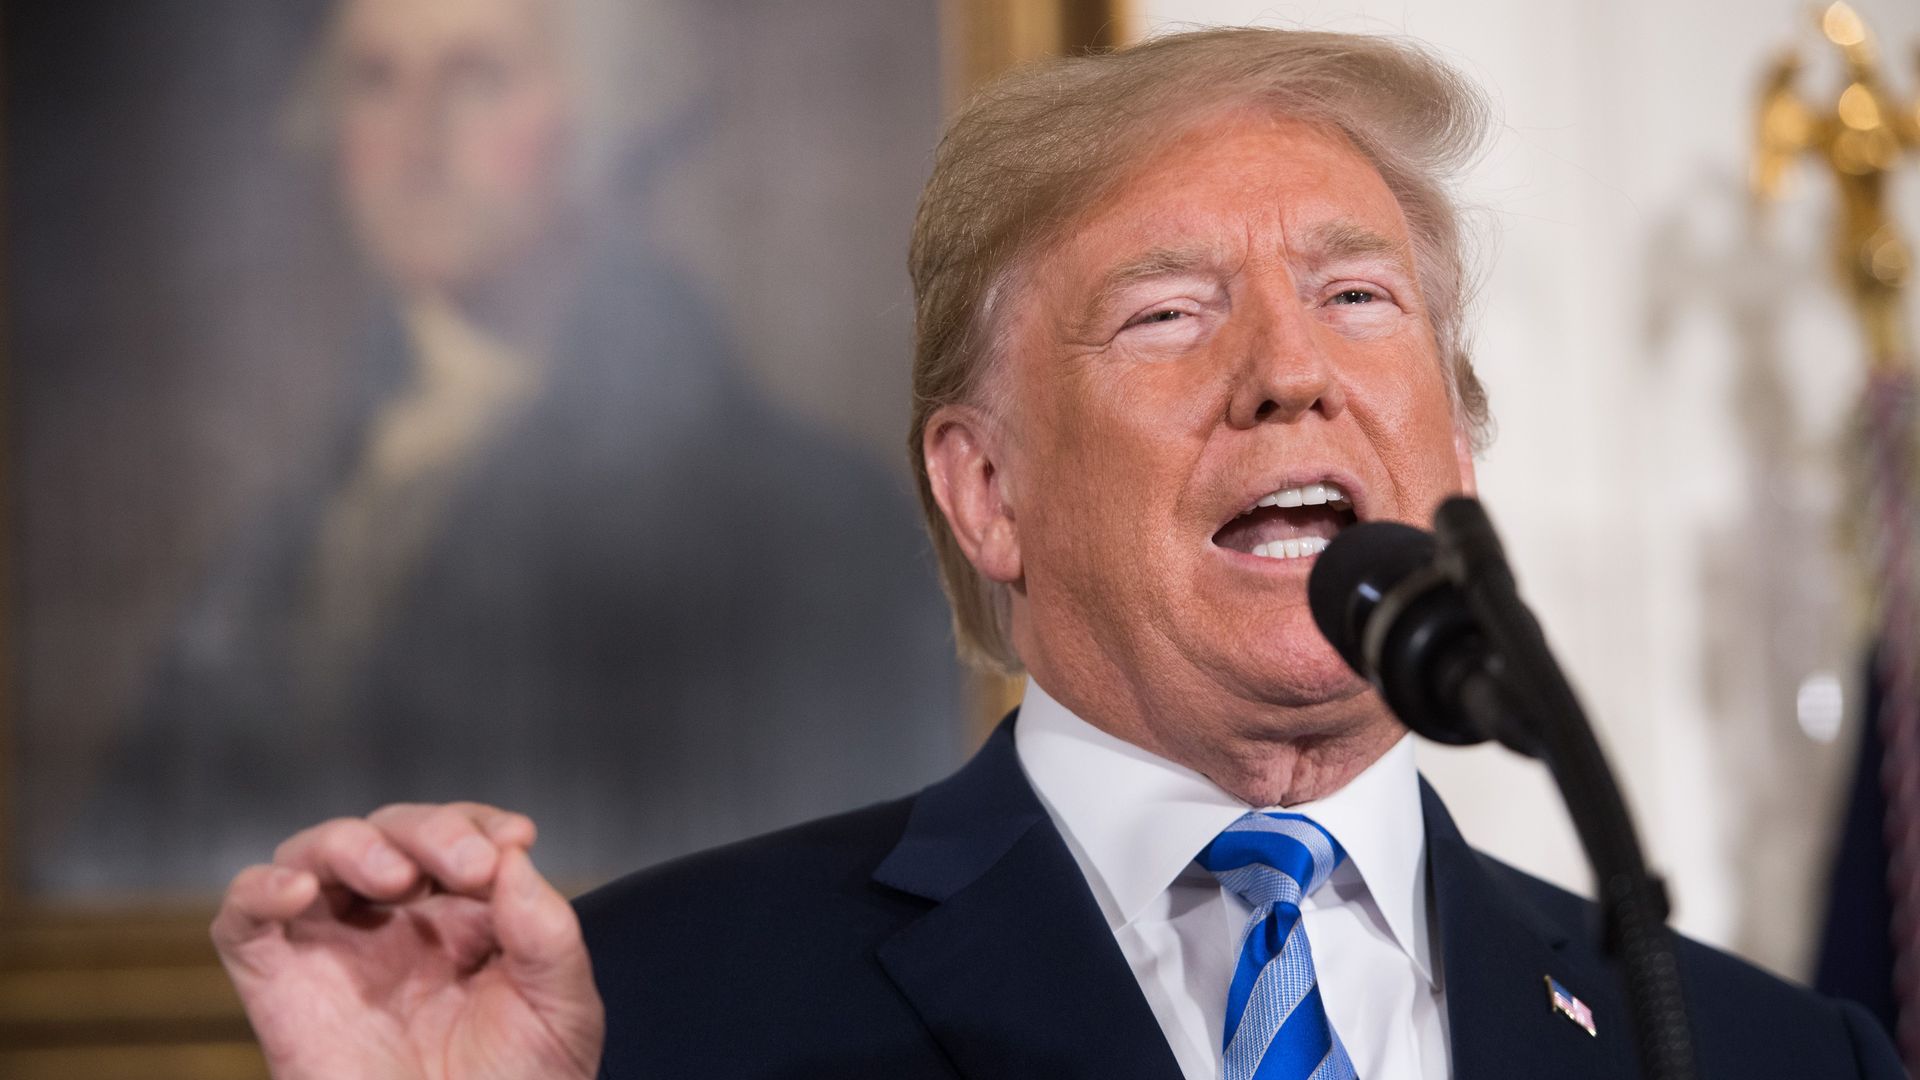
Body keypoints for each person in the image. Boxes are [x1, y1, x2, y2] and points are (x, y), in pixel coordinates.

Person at [210, 27, 1904, 1079]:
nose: (1289, 369)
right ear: (985, 490)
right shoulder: (644, 1018)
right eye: (1169, 313)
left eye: (1360, 298)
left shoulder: (1765, 1052)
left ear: (1457, 451)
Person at [59, 0, 959, 893]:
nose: (416, 140)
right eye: (374, 80)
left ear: (606, 113)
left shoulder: (802, 520)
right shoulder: (294, 528)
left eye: (477, 77)